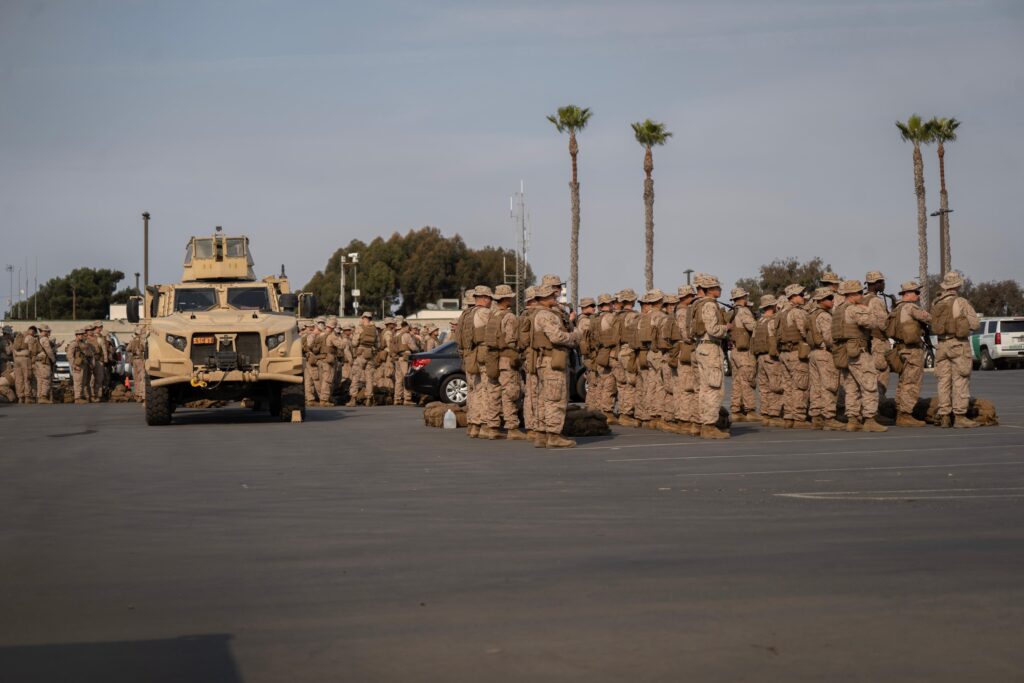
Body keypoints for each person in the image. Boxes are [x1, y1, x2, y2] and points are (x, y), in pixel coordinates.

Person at [832, 280, 888, 432]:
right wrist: (868, 310)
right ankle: (869, 419)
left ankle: (852, 419)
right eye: (859, 293)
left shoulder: (838, 310)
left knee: (851, 388)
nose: (862, 296)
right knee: (869, 384)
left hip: (843, 353)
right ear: (852, 294)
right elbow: (872, 324)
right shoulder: (854, 309)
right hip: (858, 352)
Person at [530, 282, 579, 448]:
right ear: (544, 298)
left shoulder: (539, 313)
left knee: (544, 398)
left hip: (545, 361)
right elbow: (557, 337)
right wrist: (574, 337)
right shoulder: (546, 315)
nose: (555, 297)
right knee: (555, 398)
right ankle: (553, 435)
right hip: (552, 361)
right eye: (552, 295)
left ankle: (542, 434)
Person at [930, 272, 981, 428]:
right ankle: (959, 416)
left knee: (943, 381)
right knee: (960, 380)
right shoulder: (961, 302)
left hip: (941, 345)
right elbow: (975, 324)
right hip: (958, 345)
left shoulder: (936, 302)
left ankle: (944, 415)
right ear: (957, 285)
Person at [886, 280, 932, 427]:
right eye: (916, 292)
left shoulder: (896, 308)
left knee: (904, 382)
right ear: (908, 294)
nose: (918, 296)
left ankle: (900, 412)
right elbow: (929, 318)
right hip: (912, 350)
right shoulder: (911, 307)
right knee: (911, 383)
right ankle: (905, 415)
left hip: (901, 349)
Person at [690, 275, 731, 439]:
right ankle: (709, 426)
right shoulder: (709, 305)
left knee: (705, 388)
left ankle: (704, 423)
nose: (720, 290)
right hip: (710, 347)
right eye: (717, 287)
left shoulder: (697, 305)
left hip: (702, 347)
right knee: (714, 388)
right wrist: (726, 327)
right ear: (709, 289)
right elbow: (713, 329)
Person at [484, 285, 527, 439]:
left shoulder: (492, 315)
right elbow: (511, 340)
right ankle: (512, 427)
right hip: (506, 358)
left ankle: (493, 427)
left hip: (492, 359)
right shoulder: (509, 317)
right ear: (506, 299)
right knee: (510, 393)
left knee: (494, 392)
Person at [807, 288, 843, 430]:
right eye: (829, 298)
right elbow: (829, 338)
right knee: (830, 385)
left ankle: (816, 416)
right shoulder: (825, 316)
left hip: (814, 353)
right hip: (825, 353)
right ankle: (829, 417)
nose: (832, 300)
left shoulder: (812, 314)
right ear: (821, 300)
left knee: (816, 386)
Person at [777, 284, 812, 428]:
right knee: (800, 385)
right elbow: (805, 331)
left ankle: (789, 417)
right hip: (797, 352)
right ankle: (799, 418)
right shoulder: (797, 312)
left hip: (784, 353)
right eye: (801, 295)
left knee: (788, 386)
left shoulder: (781, 312)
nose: (803, 297)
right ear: (792, 297)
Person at [751, 295, 786, 427]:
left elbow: (753, 341)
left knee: (764, 388)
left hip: (760, 358)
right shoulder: (772, 321)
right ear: (772, 306)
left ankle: (765, 413)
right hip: (772, 358)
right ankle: (774, 414)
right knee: (775, 386)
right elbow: (774, 339)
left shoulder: (759, 322)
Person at [635, 289, 667, 429]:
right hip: (659, 352)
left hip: (647, 352)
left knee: (649, 385)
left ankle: (647, 415)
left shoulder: (643, 318)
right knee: (659, 385)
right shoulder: (661, 316)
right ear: (660, 301)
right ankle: (657, 415)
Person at [671, 285, 700, 435]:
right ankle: (685, 419)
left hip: (679, 350)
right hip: (685, 349)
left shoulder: (677, 310)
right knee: (687, 386)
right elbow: (685, 333)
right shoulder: (682, 311)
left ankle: (682, 418)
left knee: (681, 386)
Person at [727, 287, 757, 422]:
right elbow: (753, 327)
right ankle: (750, 411)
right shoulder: (744, 311)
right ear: (743, 298)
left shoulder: (731, 312)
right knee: (747, 381)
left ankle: (735, 410)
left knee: (737, 381)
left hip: (734, 351)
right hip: (744, 351)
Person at [613, 289, 641, 427]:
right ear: (632, 300)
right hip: (629, 351)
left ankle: (623, 411)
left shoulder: (616, 316)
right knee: (631, 384)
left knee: (621, 384)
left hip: (618, 351)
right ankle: (626, 414)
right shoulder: (634, 316)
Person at [862, 271, 892, 396]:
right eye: (882, 282)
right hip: (878, 342)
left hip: (866, 342)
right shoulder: (876, 301)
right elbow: (884, 324)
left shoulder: (862, 299)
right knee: (881, 374)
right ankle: (879, 406)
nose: (884, 284)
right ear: (876, 284)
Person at [592, 293, 618, 424]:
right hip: (609, 352)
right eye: (612, 303)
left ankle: (599, 408)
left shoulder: (596, 319)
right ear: (608, 304)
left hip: (600, 352)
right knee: (610, 383)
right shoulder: (610, 318)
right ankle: (607, 411)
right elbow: (616, 335)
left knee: (601, 382)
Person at [349, 311, 378, 406]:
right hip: (370, 354)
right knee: (369, 378)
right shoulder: (375, 329)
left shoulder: (359, 328)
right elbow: (378, 344)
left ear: (363, 318)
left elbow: (354, 343)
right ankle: (369, 399)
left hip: (360, 354)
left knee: (356, 376)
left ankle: (353, 399)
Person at [575, 297, 598, 411]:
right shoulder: (585, 321)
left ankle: (591, 406)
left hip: (588, 354)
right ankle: (591, 406)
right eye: (592, 306)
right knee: (593, 381)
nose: (594, 308)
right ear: (585, 307)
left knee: (592, 380)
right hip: (589, 354)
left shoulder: (586, 319)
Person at [392, 319, 420, 406]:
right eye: (409, 327)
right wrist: (419, 350)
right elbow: (413, 347)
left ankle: (397, 398)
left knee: (398, 379)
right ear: (405, 327)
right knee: (406, 378)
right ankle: (407, 398)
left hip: (398, 358)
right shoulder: (406, 335)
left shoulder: (396, 335)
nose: (409, 328)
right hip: (405, 359)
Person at [319, 318, 344, 406]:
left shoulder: (322, 334)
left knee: (324, 379)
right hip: (329, 359)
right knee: (328, 379)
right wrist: (342, 339)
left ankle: (325, 398)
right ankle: (324, 400)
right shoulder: (332, 336)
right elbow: (341, 345)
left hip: (322, 358)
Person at [11, 325, 37, 403]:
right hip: (25, 359)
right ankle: (27, 397)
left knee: (18, 379)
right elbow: (32, 350)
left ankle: (20, 397)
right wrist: (32, 360)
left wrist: (15, 358)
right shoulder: (30, 338)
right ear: (33, 331)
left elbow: (13, 349)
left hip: (16, 359)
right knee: (27, 378)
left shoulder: (18, 337)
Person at [33, 324, 56, 404]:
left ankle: (39, 396)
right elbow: (48, 350)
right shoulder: (45, 339)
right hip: (44, 361)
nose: (49, 333)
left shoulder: (37, 338)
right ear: (44, 331)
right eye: (48, 331)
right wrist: (53, 359)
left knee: (40, 380)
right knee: (46, 379)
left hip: (38, 361)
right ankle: (43, 396)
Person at [127, 325, 148, 402]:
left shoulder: (132, 341)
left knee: (136, 378)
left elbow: (127, 349)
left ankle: (138, 394)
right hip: (141, 360)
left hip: (134, 360)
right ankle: (142, 395)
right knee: (142, 378)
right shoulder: (142, 340)